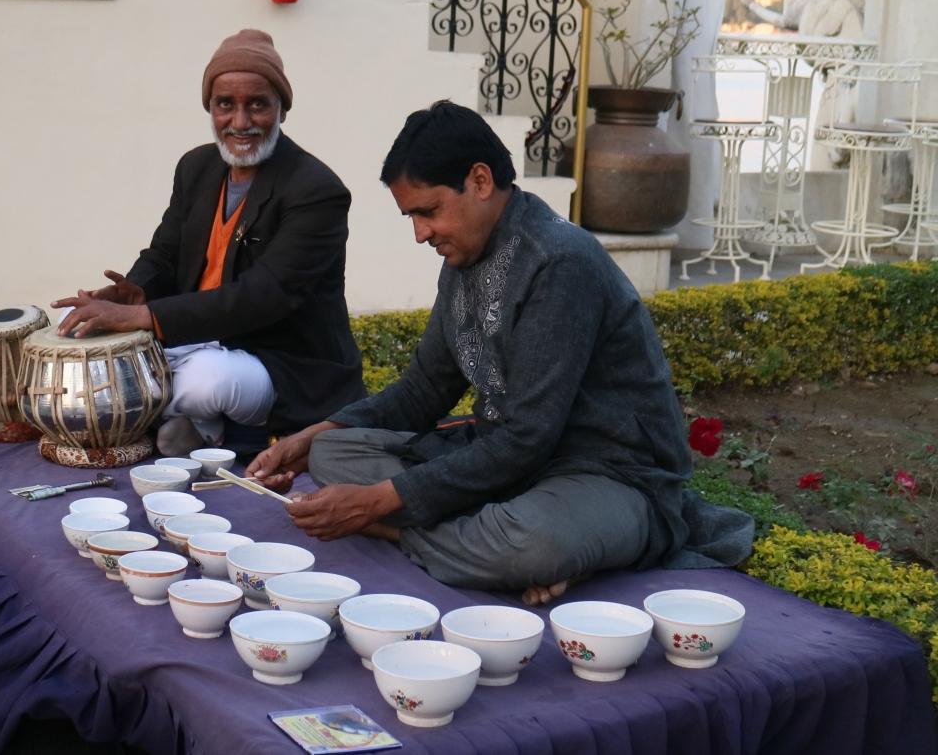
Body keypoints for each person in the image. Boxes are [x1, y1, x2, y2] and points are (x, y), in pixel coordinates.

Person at [247, 100, 753, 605]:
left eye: (428, 211)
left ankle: (404, 533)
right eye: (412, 217)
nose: (420, 234)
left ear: (481, 181)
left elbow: (528, 437)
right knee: (335, 452)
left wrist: (375, 507)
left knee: (531, 544)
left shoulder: (559, 263)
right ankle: (481, 541)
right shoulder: (463, 257)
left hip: (605, 473)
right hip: (509, 467)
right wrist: (312, 436)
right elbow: (425, 389)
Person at [53, 30, 365, 455]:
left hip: (276, 362)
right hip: (192, 339)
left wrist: (144, 317)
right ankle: (199, 428)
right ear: (211, 108)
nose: (240, 121)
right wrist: (134, 292)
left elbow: (263, 296)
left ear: (281, 109)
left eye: (257, 104)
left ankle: (209, 428)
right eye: (225, 105)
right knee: (76, 335)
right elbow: (164, 253)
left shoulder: (316, 190)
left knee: (206, 380)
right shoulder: (196, 167)